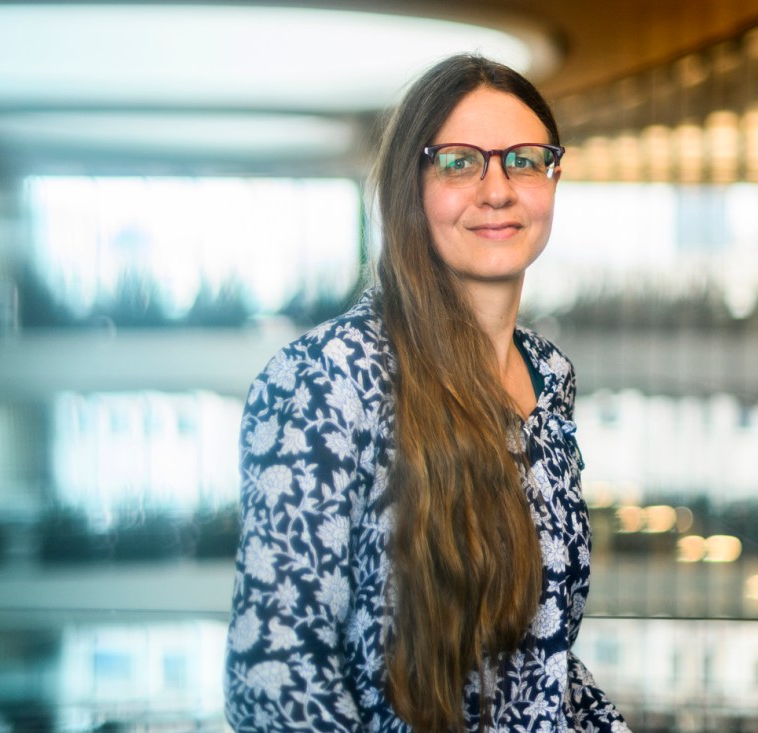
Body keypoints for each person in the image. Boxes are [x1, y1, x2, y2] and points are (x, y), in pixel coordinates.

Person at [224, 53, 630, 732]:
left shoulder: (549, 377)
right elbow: (276, 682)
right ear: (410, 186)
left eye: (525, 160)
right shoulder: (331, 379)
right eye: (460, 162)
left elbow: (543, 662)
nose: (498, 189)